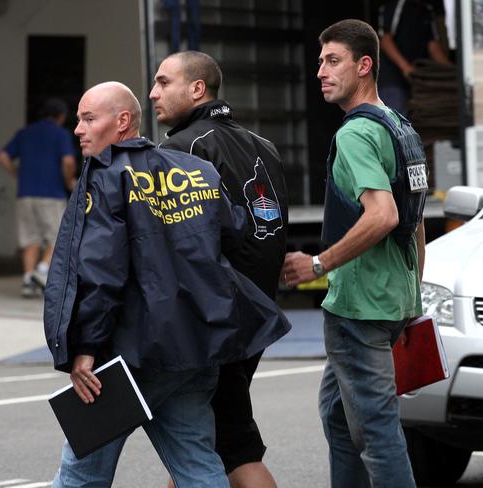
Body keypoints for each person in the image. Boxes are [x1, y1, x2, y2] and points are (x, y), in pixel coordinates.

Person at [43, 82, 291, 488]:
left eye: (89, 119)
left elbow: (100, 271)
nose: (78, 130)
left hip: (133, 350)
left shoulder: (106, 177)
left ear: (122, 121)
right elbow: (237, 232)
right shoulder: (196, 170)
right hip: (196, 347)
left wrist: (85, 347)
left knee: (82, 468)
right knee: (196, 462)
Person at [282, 19, 427, 487]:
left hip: (359, 309)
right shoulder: (402, 127)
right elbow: (416, 219)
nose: (320, 72)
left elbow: (383, 215)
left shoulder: (354, 134)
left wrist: (318, 263)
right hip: (390, 302)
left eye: (333, 61)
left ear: (364, 65)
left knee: (377, 433)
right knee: (338, 418)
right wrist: (411, 301)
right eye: (320, 62)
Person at [150, 50, 288, 488]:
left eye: (163, 82)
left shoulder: (180, 148)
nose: (153, 93)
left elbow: (176, 247)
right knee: (201, 444)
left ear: (197, 89)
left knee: (232, 446)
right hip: (256, 316)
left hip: (214, 324)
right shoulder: (263, 146)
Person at [0, 98, 77, 297]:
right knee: (57, 236)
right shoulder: (60, 134)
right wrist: (69, 181)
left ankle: (27, 280)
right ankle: (42, 271)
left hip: (25, 194)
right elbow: (68, 161)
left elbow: (3, 156)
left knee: (29, 238)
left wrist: (16, 173)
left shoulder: (25, 132)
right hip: (51, 193)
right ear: (61, 117)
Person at [378, 0, 452, 115]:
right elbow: (385, 40)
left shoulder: (427, 8)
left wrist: (453, 72)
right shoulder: (398, 4)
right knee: (395, 125)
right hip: (393, 81)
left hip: (416, 82)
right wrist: (406, 68)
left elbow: (433, 46)